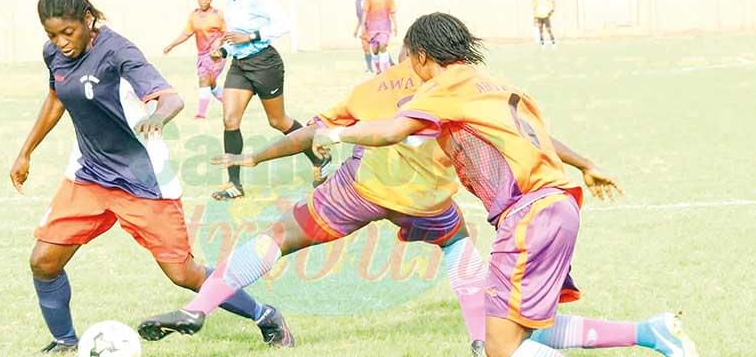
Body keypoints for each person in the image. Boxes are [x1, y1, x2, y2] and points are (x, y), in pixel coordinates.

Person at [135, 47, 643, 357]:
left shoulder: (370, 88)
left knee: (278, 237)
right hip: (427, 200)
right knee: (457, 244)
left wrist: (255, 159)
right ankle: (475, 338)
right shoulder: (455, 87)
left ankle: (199, 308)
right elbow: (522, 133)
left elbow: (315, 132)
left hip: (361, 190)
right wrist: (584, 163)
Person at [310, 12, 699, 357]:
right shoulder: (490, 85)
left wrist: (337, 135)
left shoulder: (442, 87)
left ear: (423, 56)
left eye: (410, 59)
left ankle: (654, 333)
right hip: (557, 205)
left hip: (529, 214)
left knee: (499, 347)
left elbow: (393, 130)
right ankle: (652, 332)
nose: (409, 68)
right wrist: (585, 164)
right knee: (523, 328)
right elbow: (538, 137)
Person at [9, 0, 292, 354]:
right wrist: (25, 152)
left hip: (142, 180)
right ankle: (64, 341)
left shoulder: (118, 52)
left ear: (88, 20)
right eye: (52, 35)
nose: (61, 42)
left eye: (68, 32)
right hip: (89, 175)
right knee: (43, 261)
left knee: (184, 274)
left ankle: (264, 314)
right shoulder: (55, 55)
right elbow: (55, 98)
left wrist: (158, 116)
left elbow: (171, 97)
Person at [210, 0, 330, 200]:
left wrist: (251, 36)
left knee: (277, 120)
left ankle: (318, 156)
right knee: (230, 120)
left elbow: (283, 24)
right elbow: (235, 39)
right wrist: (223, 51)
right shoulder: (229, 2)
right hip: (240, 66)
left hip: (265, 63)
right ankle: (234, 184)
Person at [163, 0, 227, 119]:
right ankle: (230, 104)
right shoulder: (194, 15)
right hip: (202, 55)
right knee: (210, 83)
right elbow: (186, 33)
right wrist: (172, 45)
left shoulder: (217, 14)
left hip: (216, 55)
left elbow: (225, 33)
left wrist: (218, 43)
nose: (203, 1)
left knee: (206, 80)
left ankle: (201, 114)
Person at [358, 0, 397, 74]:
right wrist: (363, 26)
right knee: (375, 49)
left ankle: (385, 71)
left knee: (383, 45)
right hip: (372, 27)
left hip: (385, 26)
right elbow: (365, 12)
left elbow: (392, 11)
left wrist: (395, 26)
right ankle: (378, 69)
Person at [353, 0, 373, 73]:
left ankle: (389, 64)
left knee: (378, 47)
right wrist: (356, 29)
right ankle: (369, 67)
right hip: (364, 28)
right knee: (365, 47)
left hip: (373, 26)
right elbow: (360, 18)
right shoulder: (357, 1)